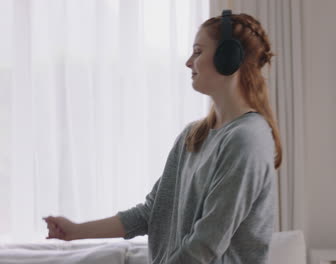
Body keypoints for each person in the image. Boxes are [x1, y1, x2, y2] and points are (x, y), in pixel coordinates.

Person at [43, 10, 282, 264]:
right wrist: (76, 231)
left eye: (198, 51)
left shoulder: (247, 139)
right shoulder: (192, 137)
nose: (189, 62)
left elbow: (205, 244)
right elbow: (152, 213)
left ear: (228, 58)